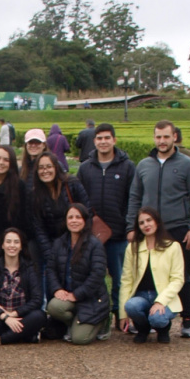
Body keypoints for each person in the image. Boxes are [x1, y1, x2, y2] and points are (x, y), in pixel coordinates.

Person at [125, 120, 190, 338]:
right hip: (149, 229)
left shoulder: (187, 164)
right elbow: (135, 197)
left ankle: (187, 318)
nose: (162, 141)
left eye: (166, 137)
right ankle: (148, 314)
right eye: (158, 137)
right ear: (154, 138)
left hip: (177, 227)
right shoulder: (144, 165)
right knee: (148, 272)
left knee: (182, 275)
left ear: (174, 137)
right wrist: (131, 226)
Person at [76, 123, 135, 325]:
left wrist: (129, 225)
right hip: (92, 236)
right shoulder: (85, 168)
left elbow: (133, 198)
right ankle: (99, 317)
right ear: (94, 141)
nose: (103, 142)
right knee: (94, 278)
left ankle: (121, 315)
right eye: (99, 138)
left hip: (118, 233)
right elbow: (79, 200)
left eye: (107, 138)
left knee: (120, 278)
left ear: (114, 140)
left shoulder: (127, 167)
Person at [45, 203, 111, 345]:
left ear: (85, 220)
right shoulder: (59, 243)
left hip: (91, 299)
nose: (74, 221)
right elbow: (50, 269)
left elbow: (97, 275)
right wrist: (57, 289)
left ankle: (102, 321)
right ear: (66, 220)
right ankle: (76, 323)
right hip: (68, 296)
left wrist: (76, 295)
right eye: (70, 217)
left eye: (78, 217)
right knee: (54, 307)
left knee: (80, 339)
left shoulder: (95, 244)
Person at [120, 207, 185, 344]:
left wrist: (160, 301)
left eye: (149, 220)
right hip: (141, 296)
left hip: (164, 296)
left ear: (157, 222)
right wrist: (122, 314)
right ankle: (143, 328)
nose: (146, 225)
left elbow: (177, 279)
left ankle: (163, 329)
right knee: (131, 306)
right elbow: (126, 280)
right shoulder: (132, 248)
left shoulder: (173, 247)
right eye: (141, 222)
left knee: (157, 318)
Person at [30, 152, 89, 300]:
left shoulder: (72, 184)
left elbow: (86, 213)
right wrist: (50, 253)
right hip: (52, 246)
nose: (45, 171)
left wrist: (81, 243)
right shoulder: (35, 193)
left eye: (49, 166)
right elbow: (39, 227)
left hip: (76, 242)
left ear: (56, 167)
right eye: (41, 168)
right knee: (53, 285)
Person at [0, 228, 46, 346]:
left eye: (16, 242)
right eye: (8, 242)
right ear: (2, 245)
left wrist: (14, 314)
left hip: (21, 316)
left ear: (21, 246)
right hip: (1, 317)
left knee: (39, 317)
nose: (12, 245)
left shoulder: (29, 267)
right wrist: (5, 317)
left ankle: (0, 340)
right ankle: (25, 335)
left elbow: (37, 299)